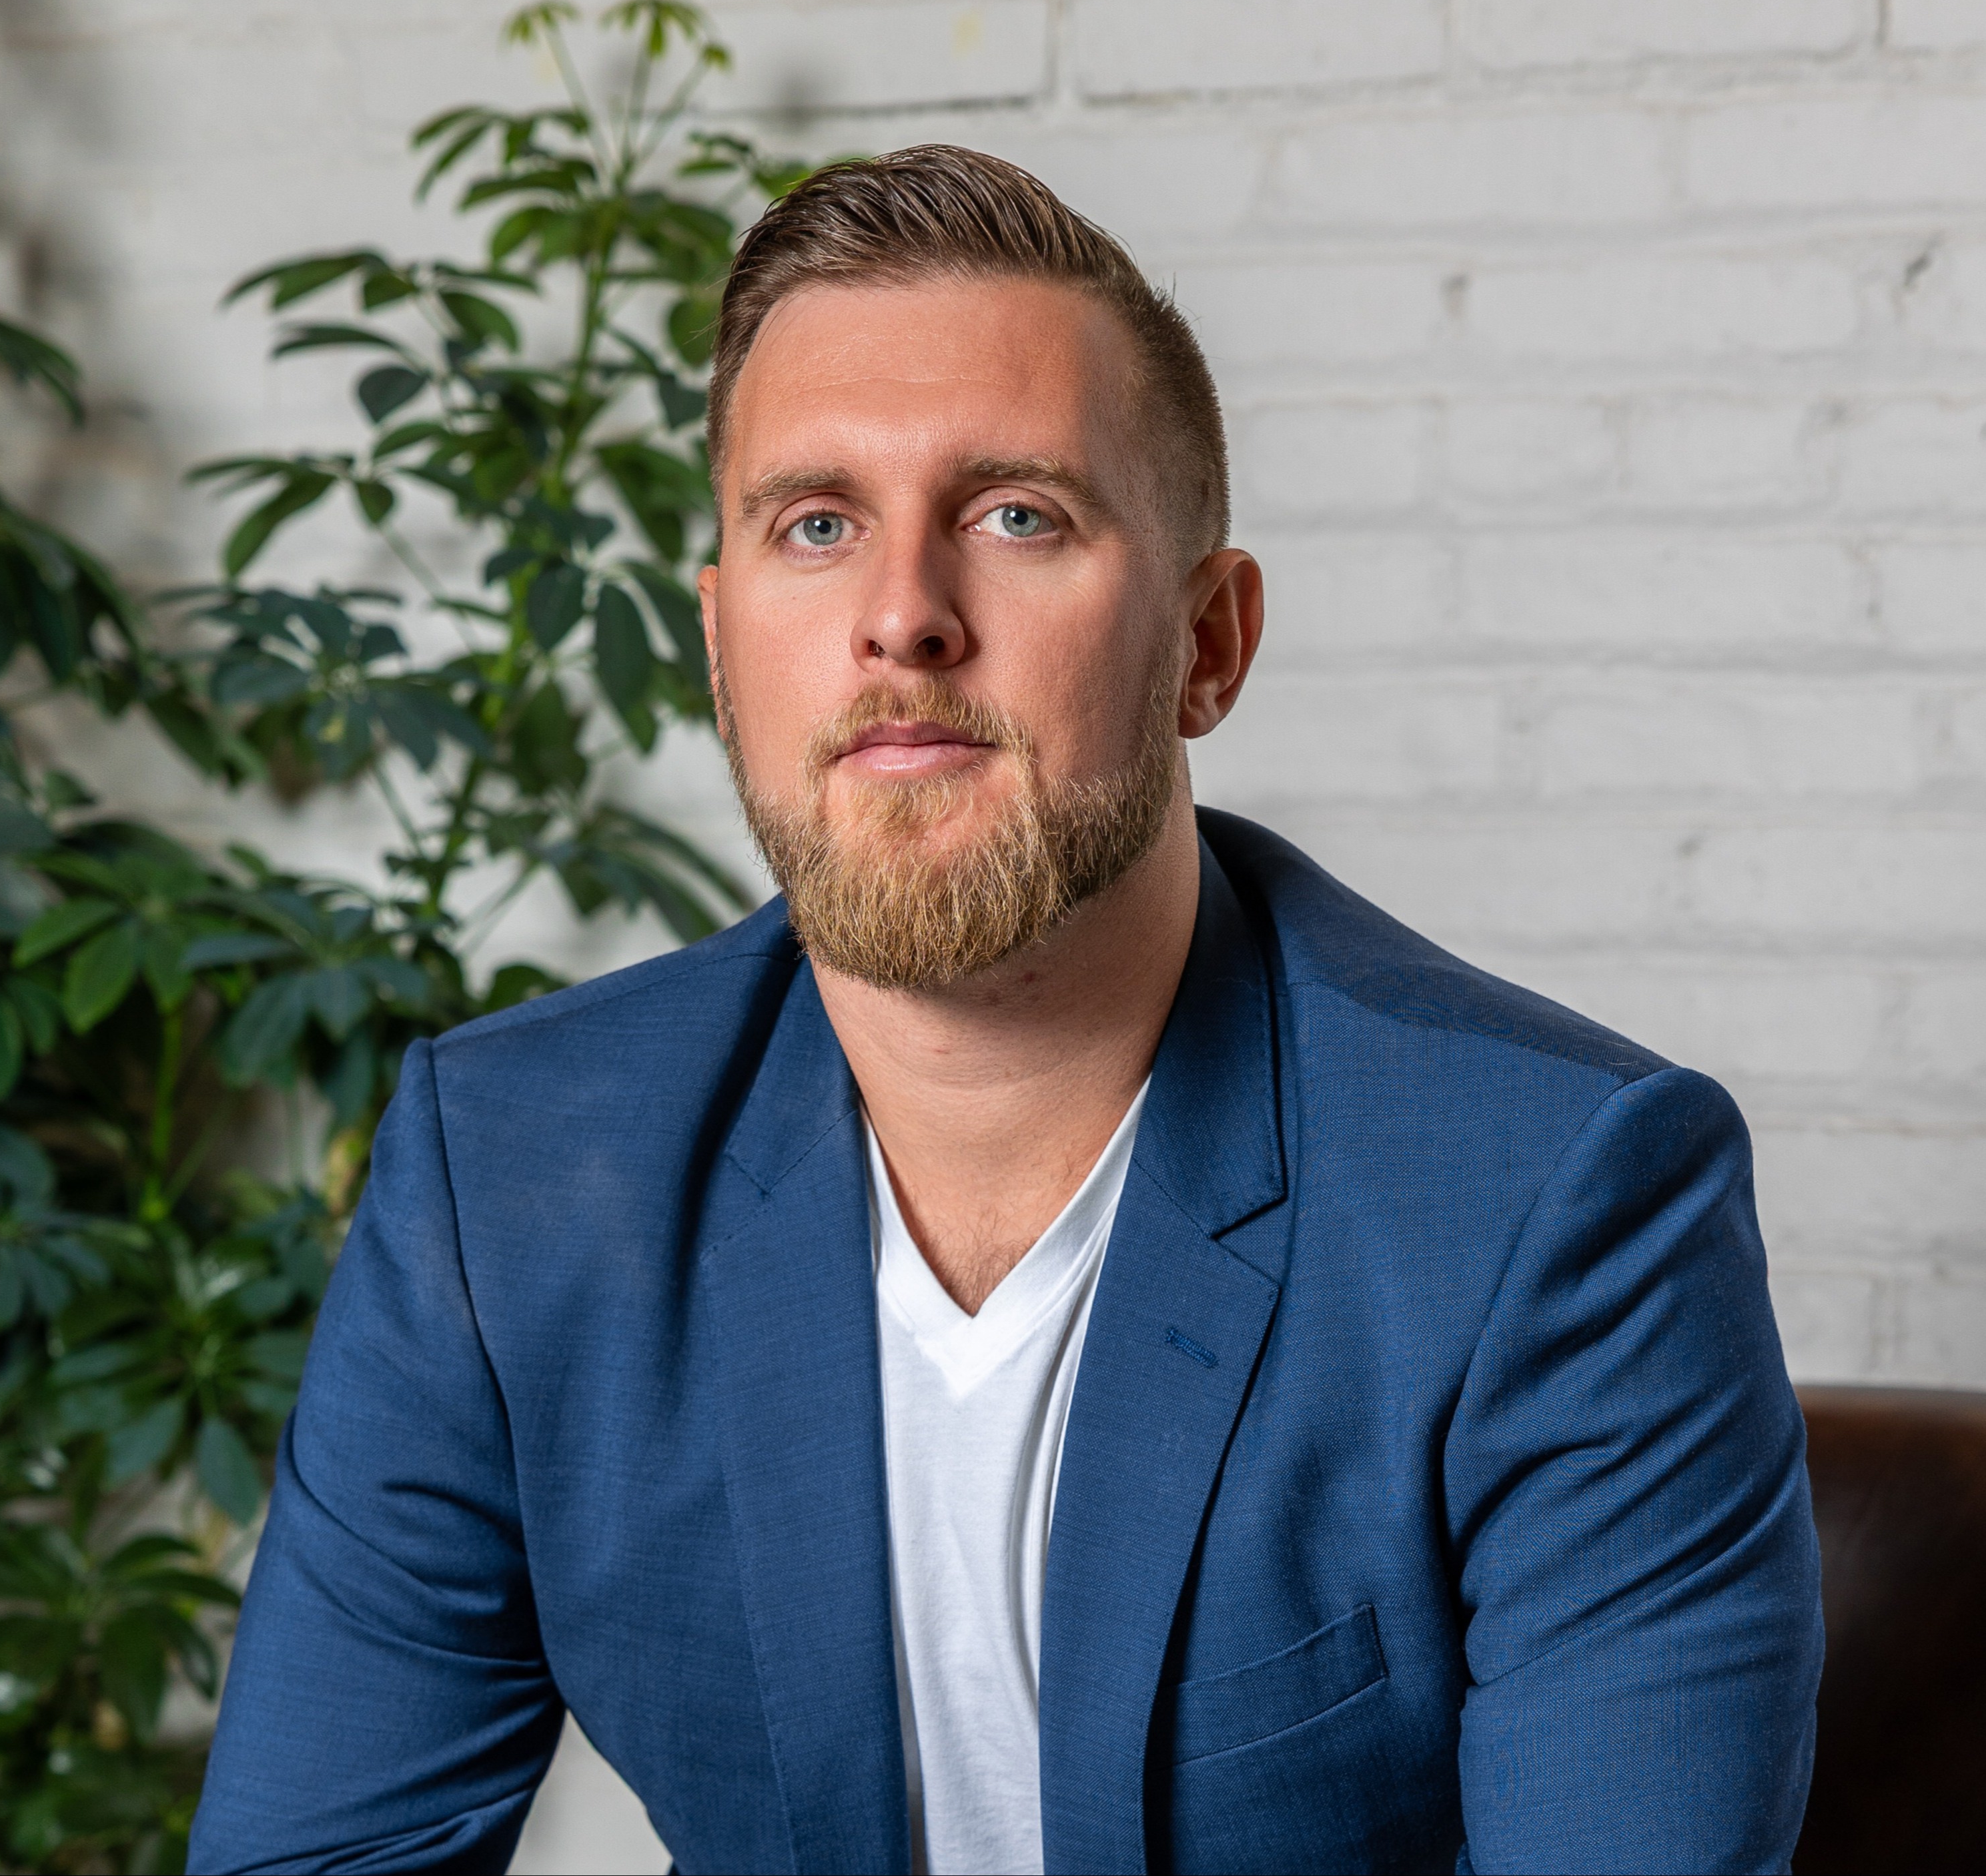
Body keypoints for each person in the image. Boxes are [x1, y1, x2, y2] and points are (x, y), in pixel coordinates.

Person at [189, 147, 1821, 1876]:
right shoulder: (508, 1182)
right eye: (817, 525)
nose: (903, 618)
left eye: (1016, 516)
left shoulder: (1553, 1204)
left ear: (1208, 642)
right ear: (724, 646)